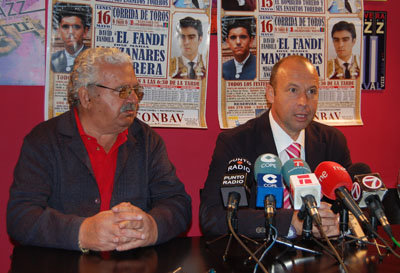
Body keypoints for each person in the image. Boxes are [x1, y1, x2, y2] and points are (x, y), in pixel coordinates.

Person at [7, 47, 192, 252]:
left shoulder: (147, 140)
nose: (133, 100)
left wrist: (152, 227)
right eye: (122, 91)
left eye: (136, 90)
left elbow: (178, 204)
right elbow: (21, 216)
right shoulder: (44, 141)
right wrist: (82, 232)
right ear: (86, 97)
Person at [200, 55, 352, 239]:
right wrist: (290, 223)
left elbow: (349, 209)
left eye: (312, 91)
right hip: (261, 259)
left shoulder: (333, 142)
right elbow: (212, 217)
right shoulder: (237, 143)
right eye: (293, 90)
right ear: (271, 94)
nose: (304, 102)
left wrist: (338, 222)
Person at [51, 3, 91, 73]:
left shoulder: (93, 57)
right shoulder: (53, 59)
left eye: (76, 27)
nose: (70, 32)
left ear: (85, 31)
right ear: (59, 32)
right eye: (65, 27)